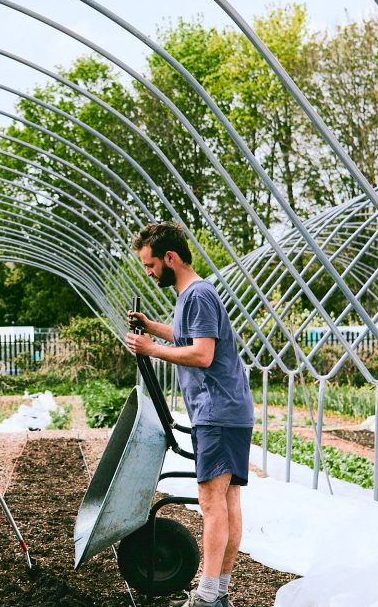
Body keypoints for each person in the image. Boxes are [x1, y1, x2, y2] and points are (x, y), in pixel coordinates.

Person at [124, 222, 252, 607]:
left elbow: (202, 354)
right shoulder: (189, 296)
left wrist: (151, 349)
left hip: (218, 412)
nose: (149, 273)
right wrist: (152, 328)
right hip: (226, 411)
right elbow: (187, 337)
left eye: (150, 265)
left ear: (170, 258)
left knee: (212, 503)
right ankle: (219, 594)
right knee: (226, 501)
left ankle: (208, 596)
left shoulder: (197, 295)